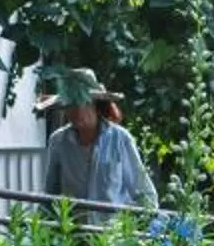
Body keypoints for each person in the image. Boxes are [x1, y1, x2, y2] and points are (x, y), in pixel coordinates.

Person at [39, 66, 158, 224]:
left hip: (110, 234)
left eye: (80, 103)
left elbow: (145, 195)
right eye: (69, 105)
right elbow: (49, 196)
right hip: (71, 234)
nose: (74, 111)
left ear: (94, 104)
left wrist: (130, 228)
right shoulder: (58, 141)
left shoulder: (120, 138)